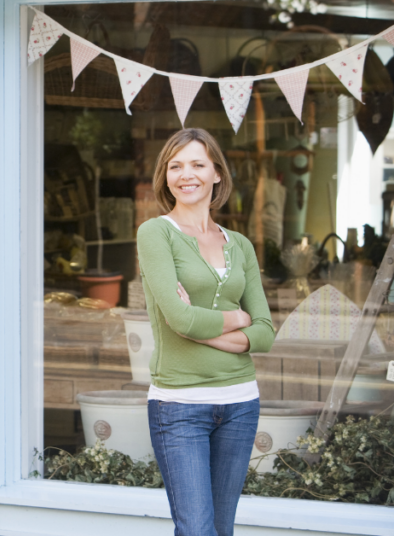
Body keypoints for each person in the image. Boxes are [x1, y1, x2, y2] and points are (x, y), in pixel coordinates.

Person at [136, 128, 274, 536]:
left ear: (217, 173)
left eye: (197, 164)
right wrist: (236, 318)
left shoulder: (240, 245)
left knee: (221, 529)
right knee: (197, 530)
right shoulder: (156, 233)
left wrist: (199, 326)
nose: (186, 174)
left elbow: (265, 332)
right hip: (178, 406)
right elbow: (179, 320)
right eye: (175, 166)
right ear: (165, 176)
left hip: (240, 402)